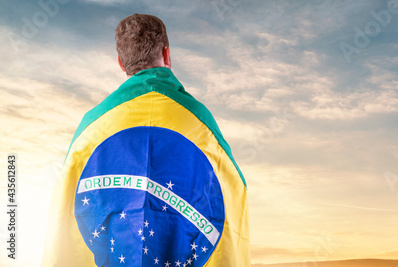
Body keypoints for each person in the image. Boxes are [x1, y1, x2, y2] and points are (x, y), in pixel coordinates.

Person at [42, 14, 249, 267]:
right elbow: (232, 191)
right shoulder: (200, 121)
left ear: (121, 63)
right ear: (167, 53)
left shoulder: (94, 125)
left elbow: (67, 205)